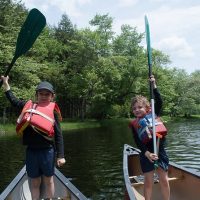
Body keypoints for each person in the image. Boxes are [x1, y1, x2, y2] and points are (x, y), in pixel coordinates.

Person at [1, 76, 66, 200]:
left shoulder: (53, 112)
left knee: (49, 180)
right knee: (34, 182)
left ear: (52, 96)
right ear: (36, 95)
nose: (43, 96)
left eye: (47, 94)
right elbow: (13, 101)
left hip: (47, 151)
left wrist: (61, 155)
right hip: (31, 151)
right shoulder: (28, 106)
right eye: (41, 93)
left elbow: (58, 135)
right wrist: (6, 84)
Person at [129, 75, 170, 200]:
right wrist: (147, 154)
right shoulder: (134, 124)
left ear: (147, 108)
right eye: (134, 108)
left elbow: (159, 100)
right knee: (148, 181)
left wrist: (154, 85)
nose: (137, 110)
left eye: (140, 107)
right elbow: (138, 142)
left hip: (160, 152)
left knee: (163, 179)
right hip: (146, 154)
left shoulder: (154, 114)